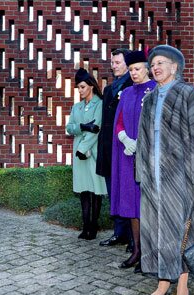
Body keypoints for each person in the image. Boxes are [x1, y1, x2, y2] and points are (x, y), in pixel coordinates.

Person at [137, 45, 194, 295]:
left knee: (181, 231)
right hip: (154, 177)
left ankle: (182, 287)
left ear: (175, 67)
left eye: (161, 62)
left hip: (182, 177)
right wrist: (142, 173)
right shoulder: (149, 99)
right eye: (153, 64)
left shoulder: (188, 93)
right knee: (157, 230)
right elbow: (142, 141)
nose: (155, 67)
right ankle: (163, 283)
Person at [110, 50, 157, 271]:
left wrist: (142, 142)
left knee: (148, 206)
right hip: (129, 157)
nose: (134, 73)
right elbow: (118, 122)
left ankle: (150, 254)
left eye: (137, 69)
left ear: (147, 68)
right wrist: (124, 137)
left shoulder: (156, 90)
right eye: (130, 70)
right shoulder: (127, 93)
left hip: (148, 158)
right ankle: (136, 251)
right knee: (132, 206)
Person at [97, 48, 134, 249]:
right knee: (114, 192)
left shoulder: (132, 85)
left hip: (125, 147)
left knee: (127, 191)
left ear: (127, 65)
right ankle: (118, 233)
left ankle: (132, 236)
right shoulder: (108, 90)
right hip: (108, 147)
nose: (114, 66)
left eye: (117, 62)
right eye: (112, 62)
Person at [66, 68, 107, 240]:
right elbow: (69, 128)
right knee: (83, 190)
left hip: (93, 152)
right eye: (78, 88)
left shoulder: (100, 104)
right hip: (79, 154)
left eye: (83, 87)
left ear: (91, 85)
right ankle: (85, 226)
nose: (80, 90)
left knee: (95, 190)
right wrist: (83, 127)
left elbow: (96, 129)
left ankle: (94, 227)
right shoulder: (76, 107)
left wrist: (82, 148)